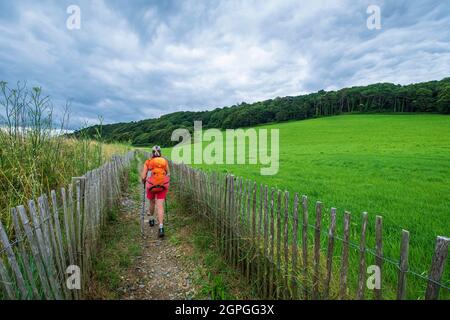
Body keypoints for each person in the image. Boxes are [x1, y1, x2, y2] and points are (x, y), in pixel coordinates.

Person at [141, 145, 170, 238]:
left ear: (152, 153)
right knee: (160, 206)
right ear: (160, 152)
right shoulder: (164, 161)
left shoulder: (148, 162)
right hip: (162, 186)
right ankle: (161, 227)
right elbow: (168, 173)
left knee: (152, 203)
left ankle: (151, 219)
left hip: (151, 187)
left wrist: (144, 181)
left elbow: (143, 177)